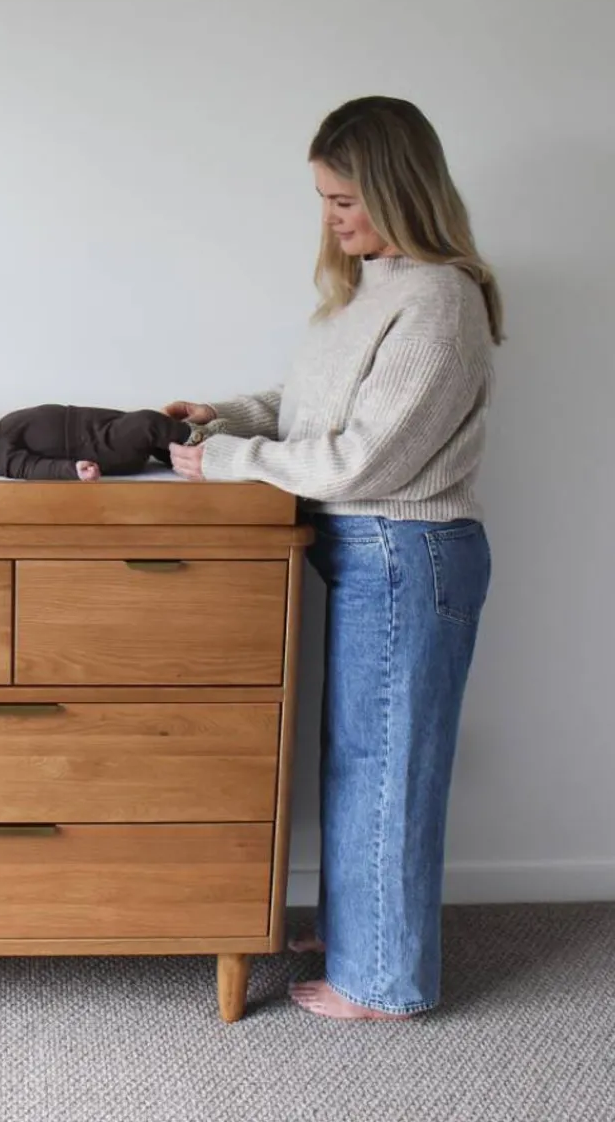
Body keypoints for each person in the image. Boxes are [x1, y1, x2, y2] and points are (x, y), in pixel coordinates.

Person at [166, 95, 502, 1021]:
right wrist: (223, 418)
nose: (332, 217)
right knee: (360, 754)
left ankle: (382, 978)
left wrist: (232, 463)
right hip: (369, 551)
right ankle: (365, 923)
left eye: (345, 199)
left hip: (406, 547)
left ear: (398, 189)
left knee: (388, 762)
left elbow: (364, 457)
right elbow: (309, 404)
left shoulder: (437, 299)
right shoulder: (371, 289)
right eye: (322, 198)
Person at [0, 404, 223, 479]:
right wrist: (72, 470)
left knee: (149, 430)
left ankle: (177, 457)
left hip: (100, 428)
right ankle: (202, 441)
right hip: (101, 447)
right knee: (148, 423)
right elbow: (33, 468)